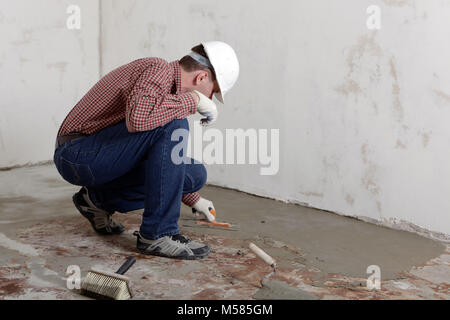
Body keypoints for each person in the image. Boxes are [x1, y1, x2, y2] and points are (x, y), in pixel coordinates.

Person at [53, 41, 239, 260]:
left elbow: (157, 157)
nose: (208, 100)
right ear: (201, 78)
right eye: (211, 93)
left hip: (104, 156)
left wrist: (193, 199)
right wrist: (192, 99)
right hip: (77, 155)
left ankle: (95, 201)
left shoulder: (165, 89)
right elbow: (139, 120)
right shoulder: (158, 69)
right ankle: (158, 234)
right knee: (175, 124)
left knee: (194, 175)